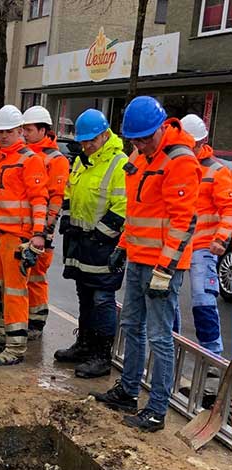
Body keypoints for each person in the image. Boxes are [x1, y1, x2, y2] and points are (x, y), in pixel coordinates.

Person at [92, 96, 201, 432]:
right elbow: (139, 213)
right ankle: (127, 390)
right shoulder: (142, 156)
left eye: (145, 138)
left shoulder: (179, 161)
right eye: (134, 140)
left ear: (161, 128)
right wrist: (122, 247)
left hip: (161, 267)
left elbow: (184, 222)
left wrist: (165, 270)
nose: (139, 145)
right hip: (139, 259)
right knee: (132, 327)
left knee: (159, 336)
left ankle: (156, 410)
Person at [0, 105, 48, 365]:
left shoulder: (30, 160)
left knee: (15, 291)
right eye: (0, 132)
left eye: (8, 132)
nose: (3, 137)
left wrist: (39, 235)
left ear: (19, 132)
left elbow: (40, 200)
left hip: (16, 237)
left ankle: (15, 347)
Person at [56, 109, 127, 378]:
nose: (86, 146)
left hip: (103, 245)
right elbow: (70, 192)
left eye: (91, 141)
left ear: (105, 135)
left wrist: (101, 234)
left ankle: (101, 355)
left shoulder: (118, 163)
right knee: (84, 294)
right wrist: (67, 218)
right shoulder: (82, 161)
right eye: (83, 142)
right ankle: (84, 345)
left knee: (102, 299)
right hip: (81, 240)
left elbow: (122, 206)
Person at [178, 113, 232, 356]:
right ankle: (171, 349)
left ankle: (211, 357)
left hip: (202, 246)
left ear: (201, 142)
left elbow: (229, 209)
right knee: (167, 300)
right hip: (179, 244)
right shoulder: (178, 166)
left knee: (203, 301)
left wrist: (220, 239)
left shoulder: (217, 171)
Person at [21, 106, 70, 340]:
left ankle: (36, 323)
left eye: (28, 129)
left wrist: (46, 231)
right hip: (23, 227)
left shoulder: (56, 160)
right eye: (23, 129)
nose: (24, 133)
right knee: (22, 276)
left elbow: (55, 199)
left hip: (41, 231)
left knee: (36, 276)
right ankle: (24, 319)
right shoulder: (25, 153)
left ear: (43, 130)